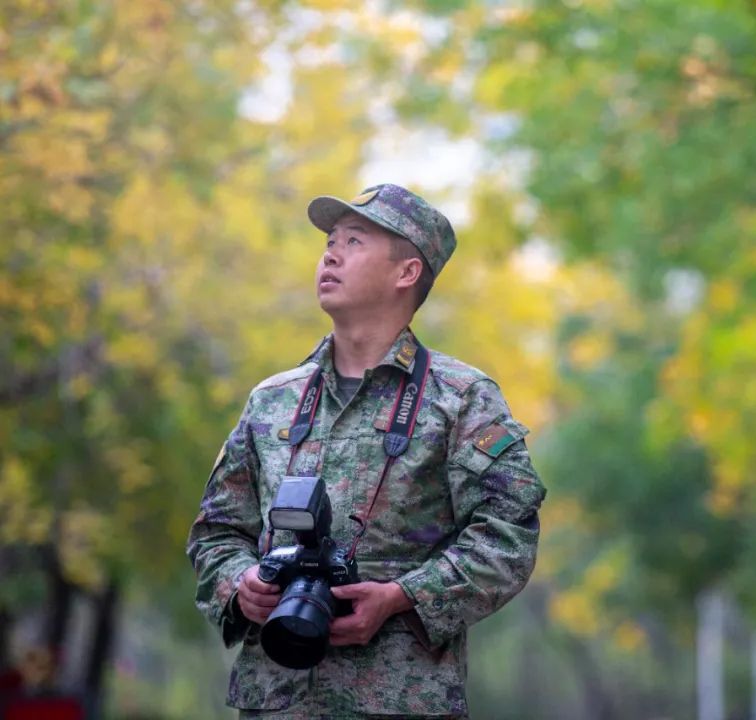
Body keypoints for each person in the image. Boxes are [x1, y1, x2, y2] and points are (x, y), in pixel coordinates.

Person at [186, 183, 546, 719]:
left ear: (406, 272)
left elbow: (507, 538)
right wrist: (240, 585)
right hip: (277, 700)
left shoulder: (462, 398)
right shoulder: (272, 401)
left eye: (354, 242)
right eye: (330, 241)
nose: (330, 254)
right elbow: (216, 533)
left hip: (401, 702)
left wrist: (401, 596)